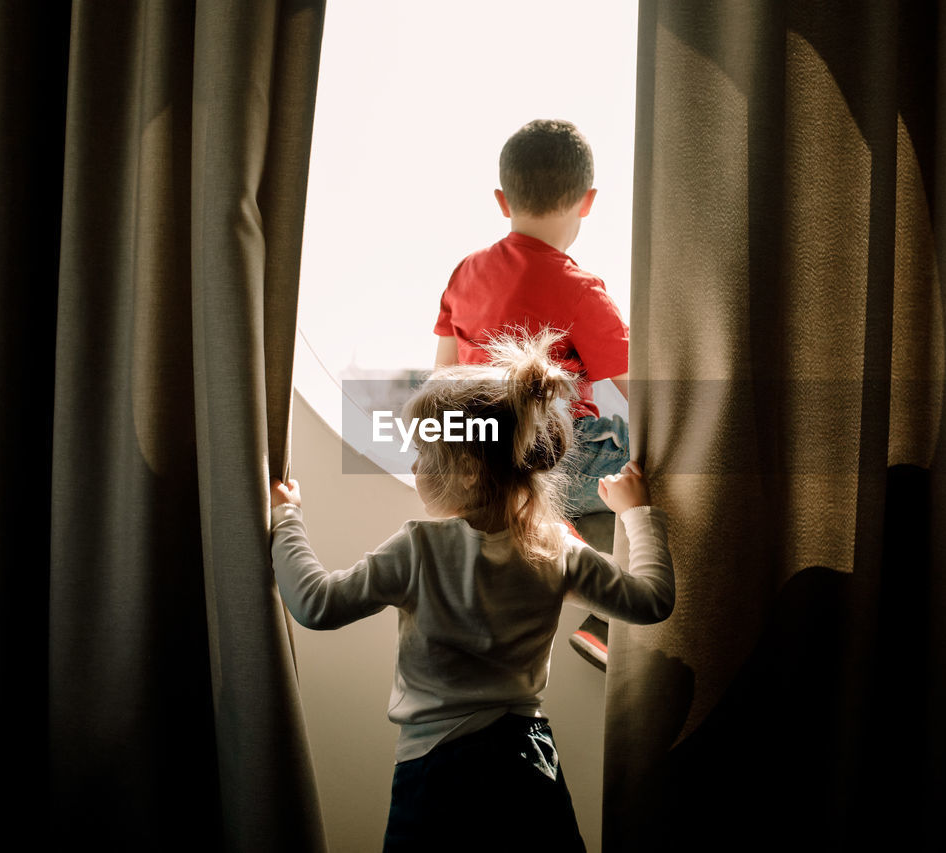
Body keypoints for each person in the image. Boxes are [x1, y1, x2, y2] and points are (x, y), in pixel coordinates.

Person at [270, 331, 674, 852]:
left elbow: (314, 604)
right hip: (527, 766)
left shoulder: (418, 549)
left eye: (422, 452)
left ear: (464, 473)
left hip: (436, 774)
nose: (414, 466)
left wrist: (286, 519)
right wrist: (636, 514)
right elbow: (652, 601)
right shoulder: (556, 550)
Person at [432, 118, 630, 519]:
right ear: (587, 201)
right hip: (556, 465)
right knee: (661, 457)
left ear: (502, 200)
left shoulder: (465, 273)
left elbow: (442, 380)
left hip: (485, 461)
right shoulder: (580, 290)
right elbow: (647, 393)